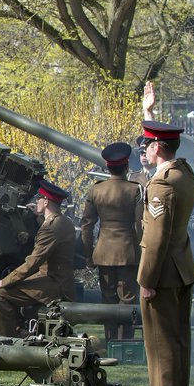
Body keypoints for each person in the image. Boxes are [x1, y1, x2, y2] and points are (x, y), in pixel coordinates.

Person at [135, 121, 194, 386]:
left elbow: (157, 237)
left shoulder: (162, 184)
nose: (144, 150)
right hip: (181, 267)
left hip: (162, 273)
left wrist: (147, 280)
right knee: (178, 341)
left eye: (147, 145)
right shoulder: (183, 173)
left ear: (157, 147)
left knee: (160, 344)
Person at [0, 179, 76, 338]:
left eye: (39, 198)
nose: (36, 201)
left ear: (46, 202)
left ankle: (7, 340)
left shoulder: (50, 228)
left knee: (1, 294)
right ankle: (21, 331)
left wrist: (4, 282)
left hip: (54, 283)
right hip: (62, 280)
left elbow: (33, 262)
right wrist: (38, 216)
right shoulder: (65, 222)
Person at [80, 142, 143, 341]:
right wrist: (142, 253)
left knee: (108, 300)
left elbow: (86, 226)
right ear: (127, 166)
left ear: (107, 167)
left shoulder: (96, 190)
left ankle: (111, 341)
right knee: (128, 300)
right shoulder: (135, 190)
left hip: (104, 252)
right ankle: (125, 343)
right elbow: (140, 226)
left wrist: (88, 255)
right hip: (129, 252)